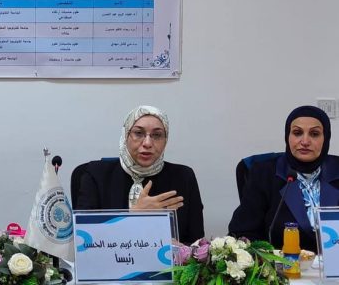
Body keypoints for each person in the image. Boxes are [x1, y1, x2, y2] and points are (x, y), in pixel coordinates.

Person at [74, 105, 205, 244]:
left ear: (165, 140)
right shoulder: (95, 174)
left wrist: (182, 249)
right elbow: (83, 240)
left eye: (157, 135)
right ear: (126, 135)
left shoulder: (183, 177)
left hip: (169, 258)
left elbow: (197, 244)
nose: (147, 143)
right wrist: (135, 215)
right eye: (138, 133)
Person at [229, 105, 339, 252]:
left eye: (314, 134)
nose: (305, 141)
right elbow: (243, 233)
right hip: (282, 263)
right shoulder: (264, 173)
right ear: (288, 136)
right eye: (297, 133)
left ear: (326, 138)